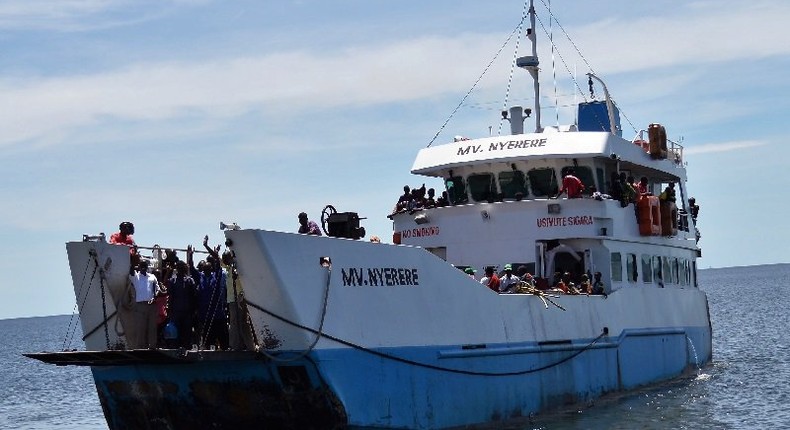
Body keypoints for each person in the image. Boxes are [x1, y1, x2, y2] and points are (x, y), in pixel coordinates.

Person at [126, 259, 160, 349]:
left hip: (152, 305)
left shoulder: (152, 277)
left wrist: (154, 297)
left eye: (145, 266)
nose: (143, 268)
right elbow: (131, 271)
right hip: (140, 306)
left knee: (152, 327)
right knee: (140, 327)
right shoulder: (136, 277)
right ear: (139, 267)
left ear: (147, 267)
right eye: (142, 266)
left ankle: (152, 347)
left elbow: (157, 289)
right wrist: (133, 260)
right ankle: (140, 348)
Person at [166, 260, 197, 349]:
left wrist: (194, 310)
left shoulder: (190, 280)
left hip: (188, 311)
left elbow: (194, 296)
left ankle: (187, 348)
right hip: (176, 311)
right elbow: (170, 296)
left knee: (187, 332)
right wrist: (170, 310)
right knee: (176, 332)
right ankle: (176, 348)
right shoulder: (172, 281)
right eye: (178, 267)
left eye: (181, 267)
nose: (180, 269)